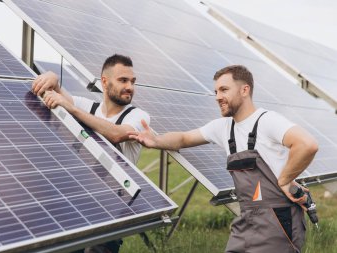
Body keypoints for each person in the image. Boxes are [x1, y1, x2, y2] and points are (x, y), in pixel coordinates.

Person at [129, 65, 318, 253]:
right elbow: (184, 138)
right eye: (216, 91)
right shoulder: (224, 128)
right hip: (246, 218)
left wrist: (285, 180)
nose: (218, 97)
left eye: (224, 90)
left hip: (277, 218)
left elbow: (307, 144)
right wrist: (155, 140)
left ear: (245, 90)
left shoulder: (267, 121)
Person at [32, 54, 150, 253]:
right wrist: (52, 76)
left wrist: (72, 108)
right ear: (105, 82)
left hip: (112, 208)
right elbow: (57, 91)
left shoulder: (138, 116)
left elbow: (116, 134)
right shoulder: (89, 106)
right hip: (80, 201)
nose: (130, 86)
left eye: (132, 81)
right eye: (123, 80)